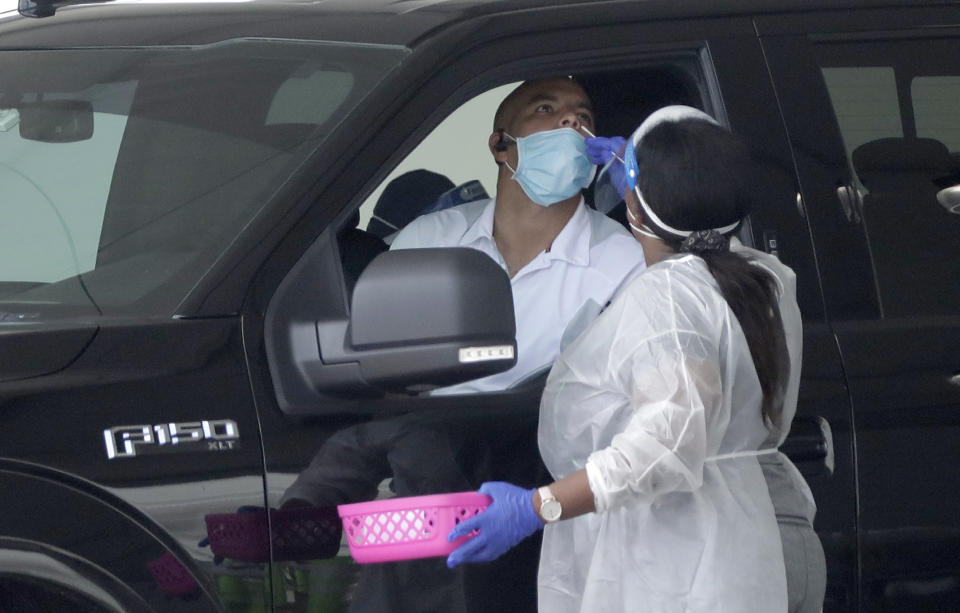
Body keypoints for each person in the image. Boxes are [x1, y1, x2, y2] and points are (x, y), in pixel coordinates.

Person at [279, 77, 646, 613]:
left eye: (583, 115)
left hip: (547, 517)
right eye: (546, 110)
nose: (572, 122)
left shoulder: (625, 262)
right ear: (500, 145)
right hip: (420, 522)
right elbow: (376, 393)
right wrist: (302, 507)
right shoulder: (427, 241)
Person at [446, 106, 803, 613]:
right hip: (729, 538)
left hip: (669, 556)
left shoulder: (668, 299)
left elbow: (669, 442)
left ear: (634, 209)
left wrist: (538, 505)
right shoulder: (762, 277)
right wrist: (646, 179)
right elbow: (707, 232)